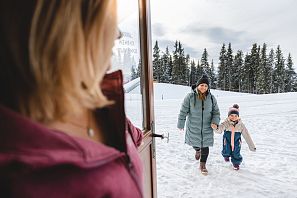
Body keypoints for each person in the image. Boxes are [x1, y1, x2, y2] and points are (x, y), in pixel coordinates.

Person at [0, 1, 143, 197]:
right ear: (67, 27)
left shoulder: (98, 101)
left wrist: (131, 133)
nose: (118, 34)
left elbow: (131, 136)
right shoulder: (19, 177)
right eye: (109, 18)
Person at [177, 75, 220, 175]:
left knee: (205, 145)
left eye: (206, 85)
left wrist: (215, 122)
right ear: (197, 86)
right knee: (194, 143)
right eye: (201, 85)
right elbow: (183, 111)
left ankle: (203, 165)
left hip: (207, 127)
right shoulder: (190, 97)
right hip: (193, 126)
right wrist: (181, 123)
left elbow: (216, 112)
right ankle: (197, 150)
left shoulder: (212, 98)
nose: (203, 87)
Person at [212, 104, 256, 170]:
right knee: (226, 150)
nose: (234, 117)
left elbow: (247, 135)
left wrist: (251, 146)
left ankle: (236, 163)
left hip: (236, 142)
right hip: (227, 140)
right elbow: (220, 130)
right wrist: (216, 128)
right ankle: (226, 156)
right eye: (231, 115)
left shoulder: (241, 125)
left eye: (236, 116)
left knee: (236, 152)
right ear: (228, 116)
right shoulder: (226, 123)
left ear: (238, 116)